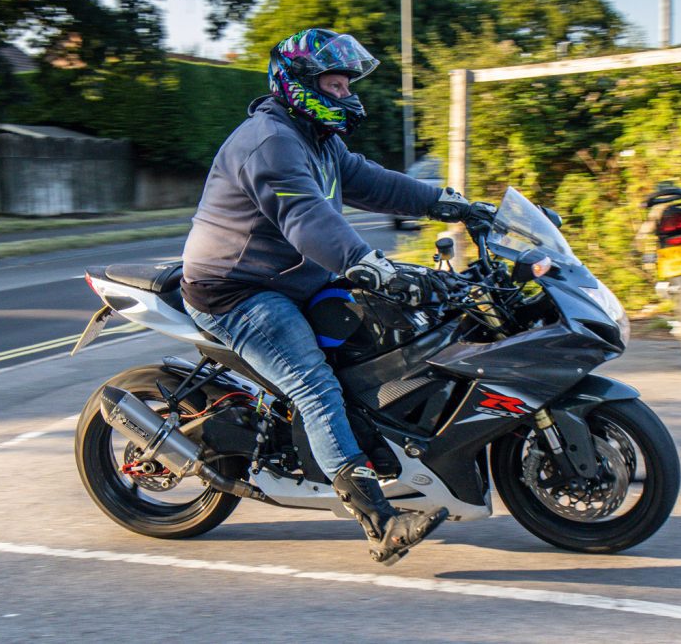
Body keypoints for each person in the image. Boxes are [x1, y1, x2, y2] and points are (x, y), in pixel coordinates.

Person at [180, 28, 472, 564]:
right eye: (334, 85)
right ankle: (378, 519)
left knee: (397, 327)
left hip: (291, 277)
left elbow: (376, 183)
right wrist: (366, 264)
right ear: (298, 84)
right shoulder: (270, 142)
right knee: (314, 384)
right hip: (238, 290)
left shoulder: (318, 139)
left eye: (344, 85)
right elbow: (306, 219)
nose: (344, 94)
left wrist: (452, 205)